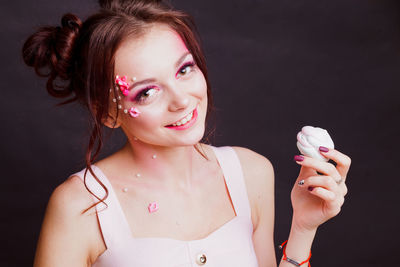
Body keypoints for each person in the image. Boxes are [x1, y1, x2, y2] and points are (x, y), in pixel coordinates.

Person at [23, 0, 351, 266]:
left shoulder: (251, 173)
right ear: (107, 113)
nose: (181, 100)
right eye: (146, 92)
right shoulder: (80, 205)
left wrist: (303, 228)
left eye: (184, 70)